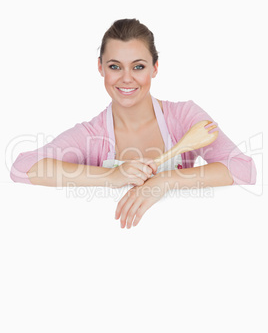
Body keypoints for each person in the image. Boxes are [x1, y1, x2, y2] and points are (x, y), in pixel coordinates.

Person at [10, 18, 256, 228]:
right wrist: (111, 175)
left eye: (138, 66)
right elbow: (23, 167)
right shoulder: (90, 135)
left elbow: (243, 169)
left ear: (155, 68)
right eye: (115, 66)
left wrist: (166, 180)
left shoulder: (184, 117)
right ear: (100, 68)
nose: (126, 79)